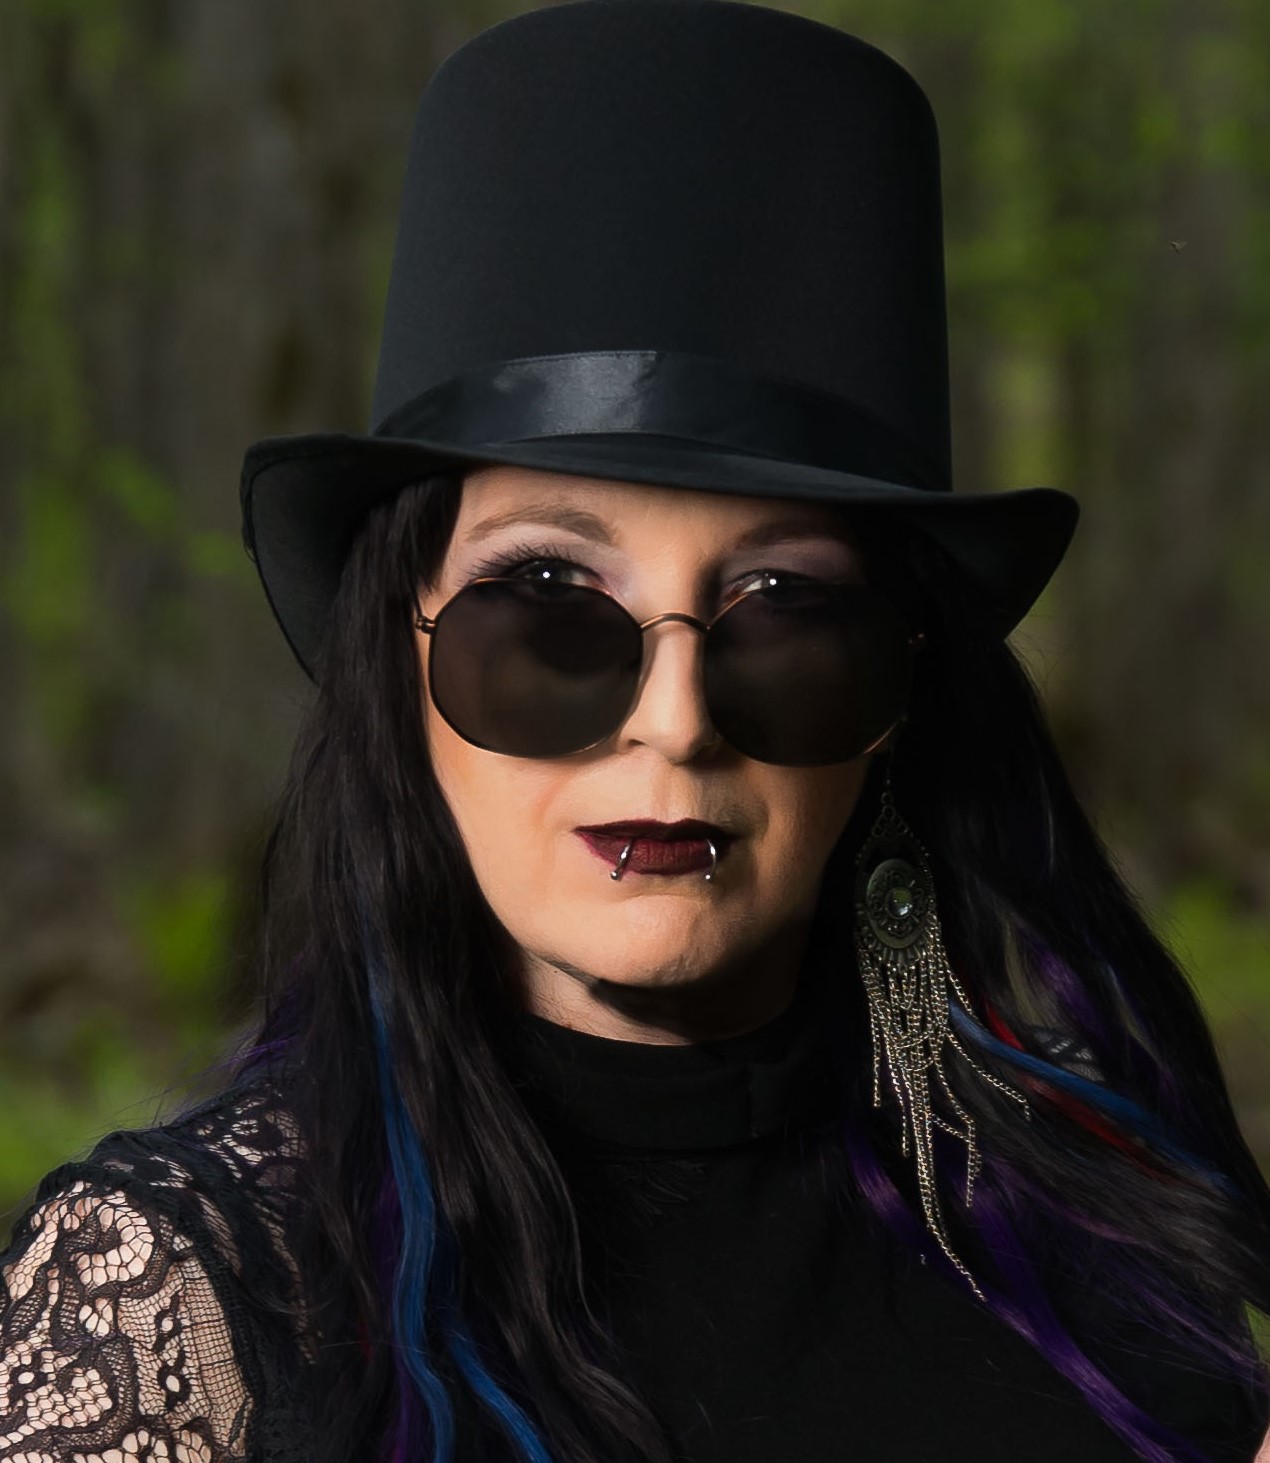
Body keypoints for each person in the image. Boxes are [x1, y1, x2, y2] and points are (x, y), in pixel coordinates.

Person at [3, 2, 1269, 1461]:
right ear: (400, 663)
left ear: (898, 696)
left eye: (784, 613)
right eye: (547, 612)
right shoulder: (180, 1302)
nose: (674, 725)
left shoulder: (1107, 1244)